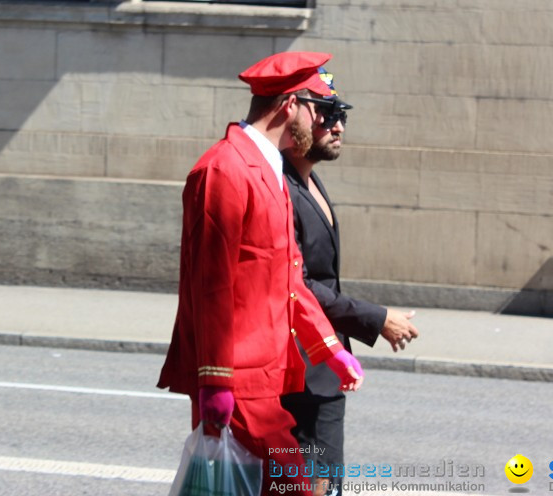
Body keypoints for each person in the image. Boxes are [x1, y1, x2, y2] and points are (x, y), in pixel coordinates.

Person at [158, 51, 366, 496]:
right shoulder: (223, 169)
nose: (322, 121)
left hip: (270, 376)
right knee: (299, 488)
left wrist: (328, 348)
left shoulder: (269, 169)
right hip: (237, 381)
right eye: (318, 109)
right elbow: (210, 286)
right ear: (291, 105)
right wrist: (214, 382)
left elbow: (289, 278)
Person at [281, 70, 420, 496]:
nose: (337, 125)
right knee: (312, 484)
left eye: (342, 115)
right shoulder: (281, 186)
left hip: (323, 362)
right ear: (296, 118)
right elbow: (298, 282)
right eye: (326, 114)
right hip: (302, 370)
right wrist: (376, 318)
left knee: (323, 481)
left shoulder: (308, 178)